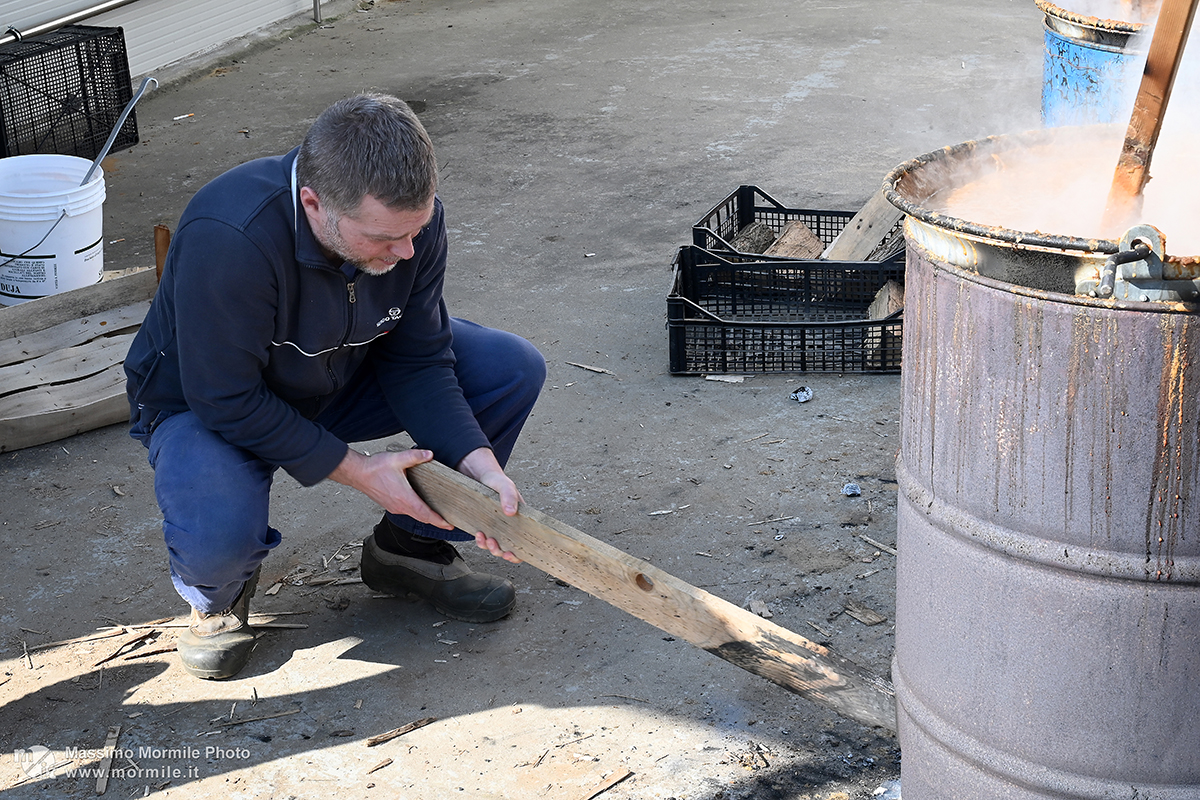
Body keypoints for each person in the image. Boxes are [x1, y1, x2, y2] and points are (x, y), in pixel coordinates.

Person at [124, 93, 546, 680]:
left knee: (509, 367)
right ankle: (218, 597)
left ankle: (408, 550)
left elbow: (418, 356)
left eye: (416, 231)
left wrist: (477, 464)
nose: (405, 253)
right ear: (314, 203)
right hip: (208, 404)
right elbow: (225, 397)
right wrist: (357, 469)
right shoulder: (231, 234)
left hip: (339, 372)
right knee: (217, 526)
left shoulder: (408, 226)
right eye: (383, 239)